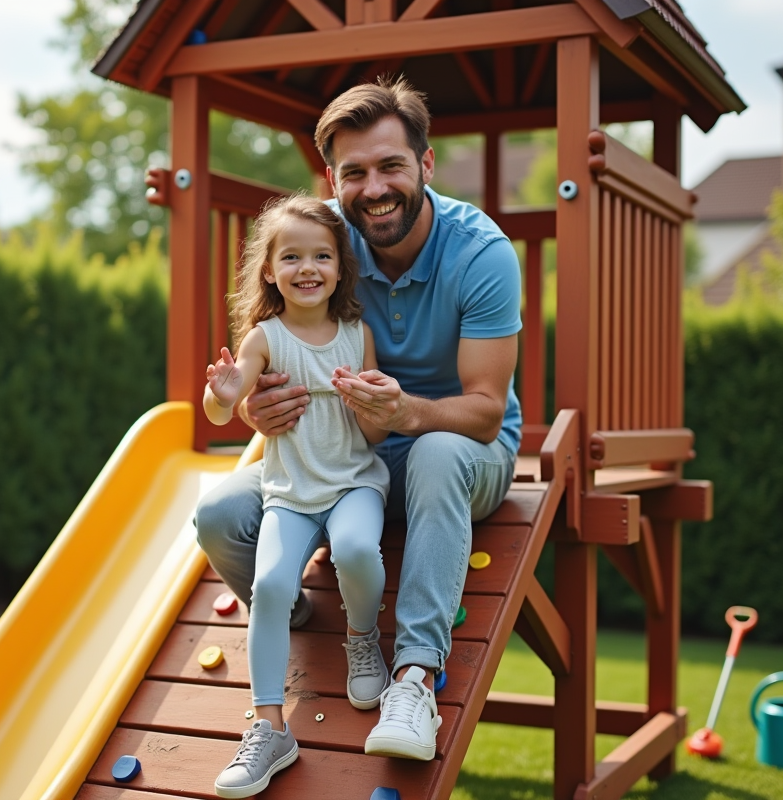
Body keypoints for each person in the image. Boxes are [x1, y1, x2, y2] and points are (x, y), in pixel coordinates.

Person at [195, 76, 522, 762]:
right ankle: (302, 621)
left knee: (432, 450)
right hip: (343, 459)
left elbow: (487, 414)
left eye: (391, 166)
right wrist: (259, 403)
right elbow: (271, 350)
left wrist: (407, 411)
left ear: (426, 165)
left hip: (459, 449)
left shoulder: (481, 253)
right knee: (220, 514)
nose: (374, 187)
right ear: (331, 178)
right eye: (355, 172)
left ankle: (412, 678)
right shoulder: (321, 243)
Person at [201, 194, 393, 798]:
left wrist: (371, 403)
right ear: (269, 270)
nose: (307, 268)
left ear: (339, 268)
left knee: (359, 548)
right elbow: (220, 408)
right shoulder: (265, 337)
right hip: (289, 494)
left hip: (355, 482)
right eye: (292, 257)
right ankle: (269, 729)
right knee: (272, 588)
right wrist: (225, 392)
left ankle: (362, 641)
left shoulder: (357, 334)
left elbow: (374, 433)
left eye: (321, 256)